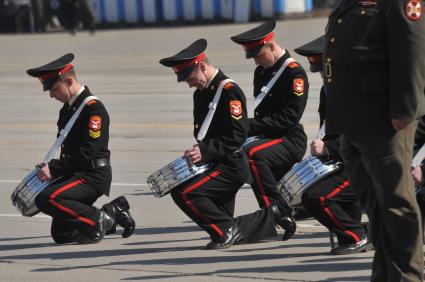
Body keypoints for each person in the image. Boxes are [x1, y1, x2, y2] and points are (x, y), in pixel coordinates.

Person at [159, 39, 296, 249]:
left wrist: (205, 151)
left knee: (185, 194)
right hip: (216, 162)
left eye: (190, 77)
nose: (188, 83)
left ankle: (226, 230)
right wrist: (199, 152)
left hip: (230, 165)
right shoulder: (202, 93)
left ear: (202, 66)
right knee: (215, 214)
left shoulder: (229, 91)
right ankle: (270, 215)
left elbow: (237, 135)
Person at [324, 1, 425, 280]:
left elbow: (412, 51)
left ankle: (408, 277)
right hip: (353, 118)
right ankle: (385, 273)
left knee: (396, 203)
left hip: (383, 118)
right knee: (375, 206)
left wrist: (405, 110)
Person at [27, 53, 135, 244]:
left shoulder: (93, 109)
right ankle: (112, 212)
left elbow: (89, 152)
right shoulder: (69, 108)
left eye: (53, 89)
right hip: (77, 174)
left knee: (46, 199)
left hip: (92, 175)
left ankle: (97, 221)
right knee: (62, 235)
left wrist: (54, 168)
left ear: (68, 81)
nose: (51, 95)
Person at [294, 35, 372, 255]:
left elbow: (362, 134)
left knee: (316, 197)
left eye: (323, 69)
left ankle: (357, 237)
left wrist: (329, 148)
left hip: (361, 163)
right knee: (308, 195)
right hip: (342, 162)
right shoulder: (327, 90)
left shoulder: (353, 90)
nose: (322, 75)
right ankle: (355, 234)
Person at [230, 20, 309, 211]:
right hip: (267, 137)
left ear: (271, 46)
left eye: (258, 55)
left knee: (252, 155)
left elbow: (289, 119)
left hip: (289, 138)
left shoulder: (294, 74)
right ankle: (275, 209)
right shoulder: (262, 72)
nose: (256, 61)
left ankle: (275, 210)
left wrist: (247, 126)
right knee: (234, 153)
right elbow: (261, 112)